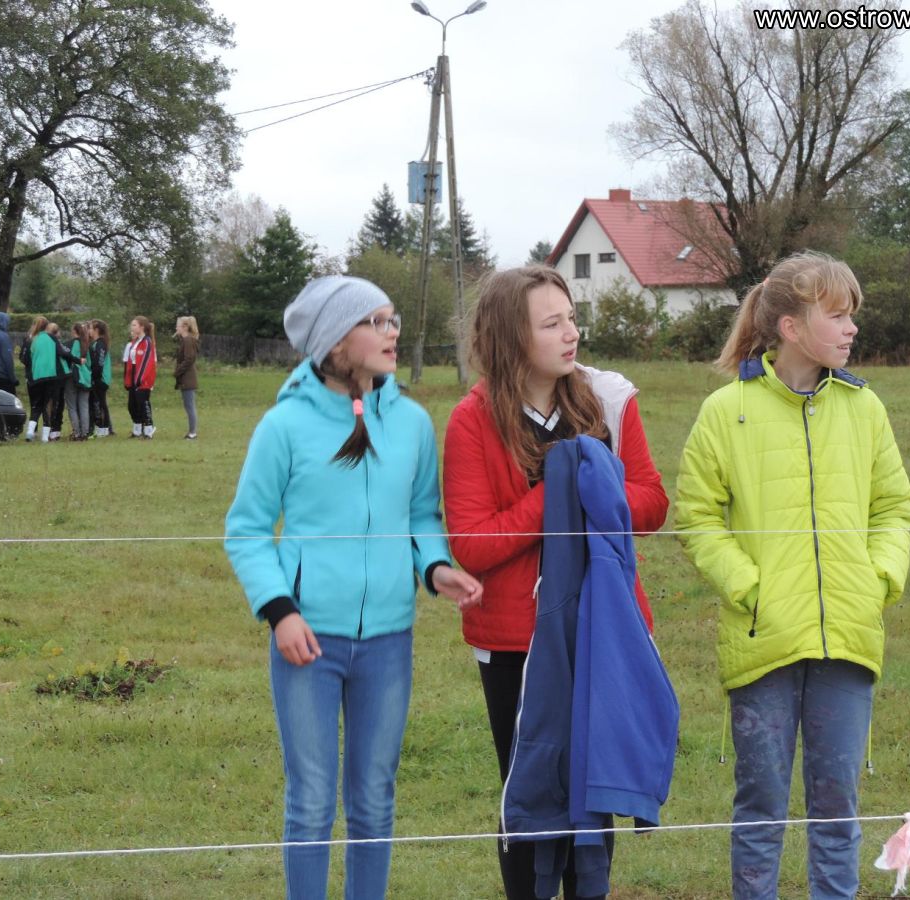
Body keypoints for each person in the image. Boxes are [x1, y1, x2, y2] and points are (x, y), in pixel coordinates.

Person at [225, 275, 483, 900]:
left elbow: (421, 515)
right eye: (376, 321)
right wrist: (281, 612)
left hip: (389, 642)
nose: (393, 333)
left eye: (394, 320)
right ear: (336, 340)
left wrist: (435, 567)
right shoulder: (283, 427)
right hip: (308, 643)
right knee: (312, 801)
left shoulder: (413, 423)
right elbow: (248, 529)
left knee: (373, 799)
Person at [673, 251, 910, 900]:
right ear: (790, 327)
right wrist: (751, 589)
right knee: (761, 805)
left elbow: (893, 507)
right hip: (765, 640)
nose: (852, 328)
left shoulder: (866, 408)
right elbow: (696, 516)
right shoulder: (725, 411)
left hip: (848, 639)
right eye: (837, 315)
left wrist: (878, 580)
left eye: (852, 316)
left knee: (837, 806)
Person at [442, 265, 669, 900]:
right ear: (511, 337)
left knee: (593, 789)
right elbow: (472, 544)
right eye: (552, 324)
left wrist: (593, 486)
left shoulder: (607, 401)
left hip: (602, 628)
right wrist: (558, 496)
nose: (572, 334)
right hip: (514, 641)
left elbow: (653, 503)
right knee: (531, 795)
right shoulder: (471, 420)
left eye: (572, 318)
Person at [122, 316, 156, 438]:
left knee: (143, 403)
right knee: (132, 405)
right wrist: (128, 380)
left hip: (143, 379)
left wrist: (140, 379)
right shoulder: (135, 342)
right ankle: (137, 430)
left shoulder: (147, 342)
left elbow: (147, 362)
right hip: (133, 377)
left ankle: (148, 430)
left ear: (142, 327)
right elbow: (130, 362)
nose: (131, 327)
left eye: (134, 325)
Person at [20, 316, 51, 441]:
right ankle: (45, 435)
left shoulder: (29, 339)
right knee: (46, 405)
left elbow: (23, 358)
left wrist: (31, 366)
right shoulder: (49, 339)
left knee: (34, 404)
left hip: (32, 376)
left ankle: (32, 431)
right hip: (47, 376)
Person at [64, 322, 92, 440]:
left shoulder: (68, 344)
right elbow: (89, 364)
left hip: (72, 377)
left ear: (74, 331)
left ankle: (76, 433)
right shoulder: (87, 345)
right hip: (85, 379)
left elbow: (65, 359)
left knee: (72, 407)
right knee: (84, 406)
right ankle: (85, 433)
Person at [173, 316, 199, 439]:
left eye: (178, 325)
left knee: (189, 406)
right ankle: (192, 431)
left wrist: (178, 371)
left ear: (185, 327)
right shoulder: (186, 340)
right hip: (186, 377)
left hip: (188, 378)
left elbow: (189, 359)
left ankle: (192, 433)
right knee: (188, 405)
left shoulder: (188, 340)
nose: (176, 328)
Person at [88, 320, 113, 438]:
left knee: (100, 403)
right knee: (98, 403)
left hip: (101, 379)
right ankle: (102, 428)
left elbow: (99, 362)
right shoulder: (96, 343)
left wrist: (95, 376)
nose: (88, 330)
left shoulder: (100, 344)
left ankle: (103, 429)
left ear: (96, 330)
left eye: (90, 328)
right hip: (97, 378)